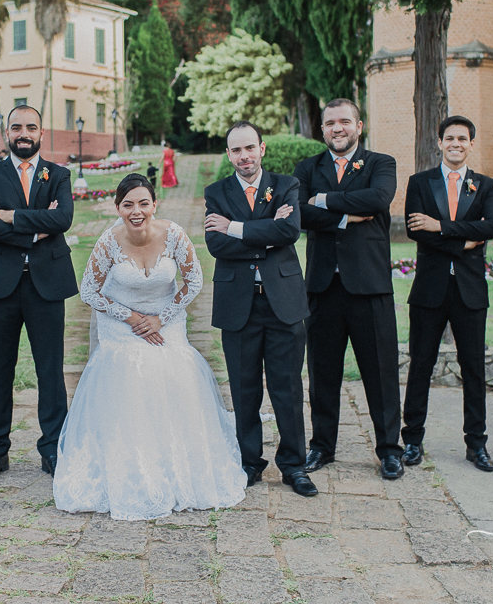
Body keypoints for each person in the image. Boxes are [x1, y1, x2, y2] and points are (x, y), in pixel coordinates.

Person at [54, 174, 246, 519]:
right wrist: (130, 318)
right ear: (118, 209)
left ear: (154, 205)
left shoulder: (173, 234)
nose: (136, 211)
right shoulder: (108, 241)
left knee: (173, 368)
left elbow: (194, 280)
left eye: (143, 203)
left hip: (166, 323)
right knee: (130, 367)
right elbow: (89, 291)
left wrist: (162, 317)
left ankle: (178, 469)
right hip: (120, 328)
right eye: (128, 205)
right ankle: (131, 471)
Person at [293, 99, 403, 480]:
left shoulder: (380, 164)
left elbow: (378, 199)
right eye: (329, 123)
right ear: (321, 130)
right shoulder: (307, 168)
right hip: (323, 286)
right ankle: (322, 446)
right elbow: (299, 213)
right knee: (322, 372)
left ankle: (390, 449)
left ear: (359, 125)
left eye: (344, 121)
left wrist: (323, 201)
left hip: (369, 285)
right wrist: (345, 215)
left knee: (381, 372)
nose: (337, 128)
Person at [205, 121, 316, 497]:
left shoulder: (286, 186)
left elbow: (289, 232)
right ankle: (249, 463)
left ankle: (294, 466)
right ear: (228, 155)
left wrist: (235, 227)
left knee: (287, 388)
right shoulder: (215, 192)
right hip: (238, 305)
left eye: (249, 148)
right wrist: (265, 230)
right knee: (244, 389)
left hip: (283, 302)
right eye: (236, 150)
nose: (244, 156)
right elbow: (215, 246)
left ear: (262, 148)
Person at [0, 105, 77, 482]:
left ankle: (52, 449)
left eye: (31, 126)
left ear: (41, 132)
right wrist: (36, 226)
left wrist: (11, 216)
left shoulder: (59, 174)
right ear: (7, 133)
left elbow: (62, 219)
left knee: (50, 372)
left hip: (47, 284)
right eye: (17, 127)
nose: (23, 133)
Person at [400, 116, 493, 472]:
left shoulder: (486, 186)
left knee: (473, 369)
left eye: (462, 138)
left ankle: (477, 444)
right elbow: (417, 231)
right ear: (439, 143)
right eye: (449, 138)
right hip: (429, 290)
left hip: (470, 292)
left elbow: (492, 227)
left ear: (471, 144)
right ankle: (411, 440)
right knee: (421, 366)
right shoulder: (420, 182)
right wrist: (468, 241)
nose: (456, 143)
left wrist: (441, 226)